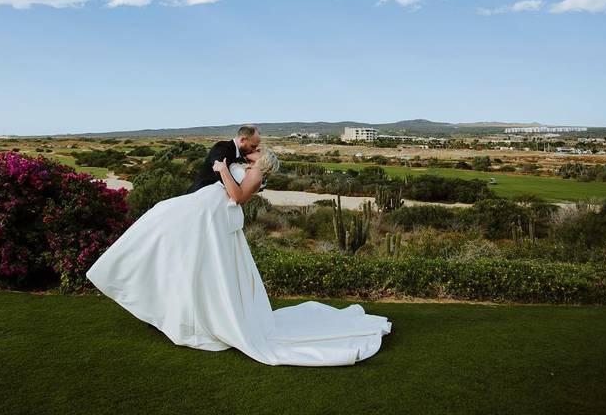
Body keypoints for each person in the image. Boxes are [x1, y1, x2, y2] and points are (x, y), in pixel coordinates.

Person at [85, 142, 392, 367]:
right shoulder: (246, 165)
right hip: (203, 207)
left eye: (258, 150)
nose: (255, 150)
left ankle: (177, 308)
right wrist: (225, 162)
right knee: (161, 227)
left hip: (211, 211)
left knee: (172, 235)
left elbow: (238, 196)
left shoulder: (256, 173)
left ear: (264, 160)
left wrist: (222, 171)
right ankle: (143, 286)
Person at [186, 124, 260, 194]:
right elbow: (220, 172)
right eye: (252, 146)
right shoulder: (222, 148)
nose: (254, 150)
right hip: (200, 194)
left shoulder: (242, 156)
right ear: (242, 140)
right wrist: (240, 190)